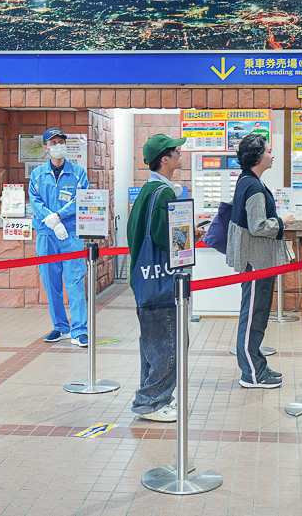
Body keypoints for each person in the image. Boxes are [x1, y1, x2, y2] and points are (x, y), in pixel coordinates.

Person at [126, 133, 188, 422]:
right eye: (176, 151)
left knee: (153, 344)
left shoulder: (146, 192)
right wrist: (187, 232)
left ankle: (153, 397)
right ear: (165, 159)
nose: (179, 154)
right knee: (170, 343)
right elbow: (167, 238)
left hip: (144, 279)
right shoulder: (162, 193)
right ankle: (152, 402)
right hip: (162, 281)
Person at [226, 133, 294, 388]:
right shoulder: (253, 185)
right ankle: (252, 373)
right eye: (268, 150)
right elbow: (258, 226)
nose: (272, 154)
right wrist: (282, 221)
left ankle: (257, 366)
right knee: (253, 316)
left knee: (257, 314)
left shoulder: (247, 181)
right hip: (257, 262)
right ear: (256, 156)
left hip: (257, 260)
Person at [29, 128, 89, 346]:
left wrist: (59, 216)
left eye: (61, 141)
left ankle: (80, 330)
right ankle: (60, 327)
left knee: (74, 281)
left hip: (71, 234)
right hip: (46, 234)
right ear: (45, 148)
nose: (58, 145)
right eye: (53, 142)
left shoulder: (78, 173)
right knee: (51, 282)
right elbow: (35, 202)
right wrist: (52, 222)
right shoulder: (37, 174)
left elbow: (82, 198)